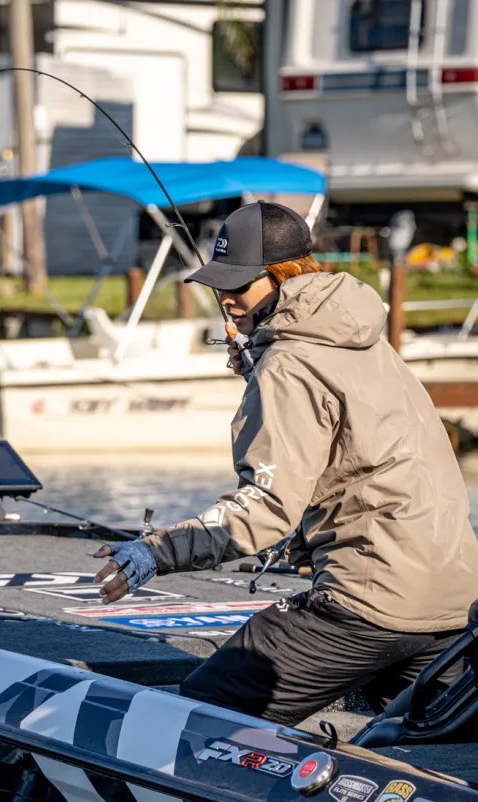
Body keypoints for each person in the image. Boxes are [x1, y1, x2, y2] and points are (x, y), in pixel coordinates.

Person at [92, 200, 478, 726]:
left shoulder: (289, 363)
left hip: (372, 601)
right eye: (219, 285)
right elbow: (359, 464)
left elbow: (265, 508)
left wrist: (156, 551)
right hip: (455, 604)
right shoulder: (362, 338)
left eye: (238, 284)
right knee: (412, 746)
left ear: (283, 276)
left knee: (195, 719)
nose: (226, 299)